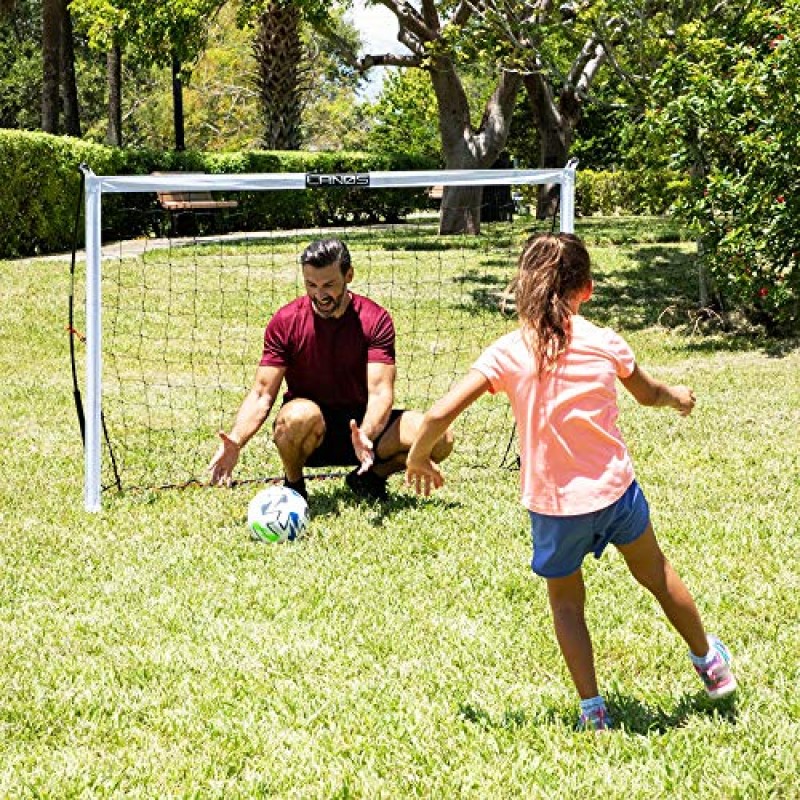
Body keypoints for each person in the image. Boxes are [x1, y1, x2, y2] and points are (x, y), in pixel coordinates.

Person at [405, 232, 737, 731]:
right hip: (616, 494)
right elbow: (648, 394)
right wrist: (677, 397)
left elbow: (436, 414)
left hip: (556, 509)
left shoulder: (508, 351)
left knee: (566, 604)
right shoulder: (605, 342)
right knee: (658, 577)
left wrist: (416, 457)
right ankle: (708, 661)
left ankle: (593, 711)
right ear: (588, 289)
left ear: (523, 286)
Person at [208, 237, 453, 501]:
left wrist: (366, 434)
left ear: (349, 275)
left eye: (329, 285)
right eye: (311, 285)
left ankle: (369, 477)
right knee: (297, 416)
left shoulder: (375, 319)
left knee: (440, 437)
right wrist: (236, 440)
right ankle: (294, 485)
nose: (320, 295)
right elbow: (261, 394)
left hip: (364, 431)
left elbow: (381, 392)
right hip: (311, 433)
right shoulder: (286, 321)